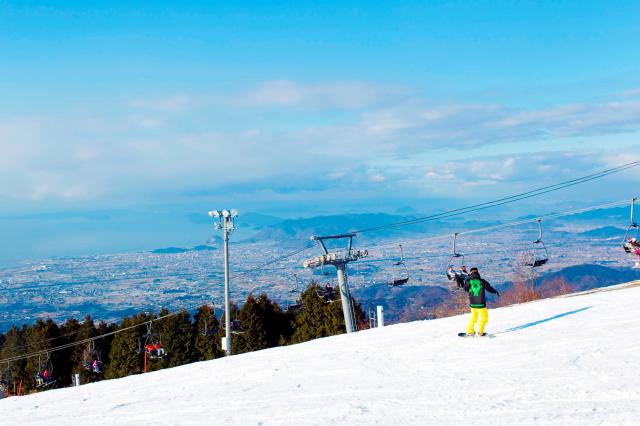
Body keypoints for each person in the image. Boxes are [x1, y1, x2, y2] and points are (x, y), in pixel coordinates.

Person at [462, 267, 499, 336]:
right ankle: (480, 332)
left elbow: (466, 289)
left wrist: (467, 278)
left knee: (474, 317)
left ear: (471, 273)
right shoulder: (482, 281)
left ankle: (470, 331)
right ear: (477, 273)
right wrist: (495, 292)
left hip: (472, 304)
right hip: (481, 304)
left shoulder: (468, 281)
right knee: (484, 317)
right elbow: (489, 288)